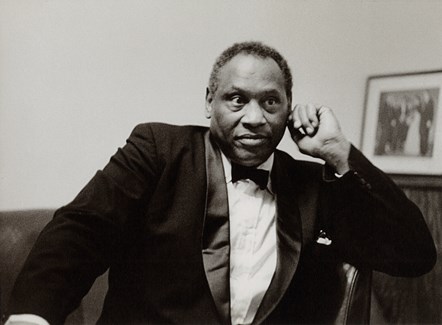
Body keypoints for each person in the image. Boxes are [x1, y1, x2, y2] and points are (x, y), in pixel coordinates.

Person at [5, 41, 436, 325]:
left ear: (289, 110)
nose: (254, 118)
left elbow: (413, 253)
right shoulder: (159, 150)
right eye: (237, 99)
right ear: (209, 101)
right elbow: (82, 231)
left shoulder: (312, 184)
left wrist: (341, 153)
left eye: (271, 102)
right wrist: (32, 317)